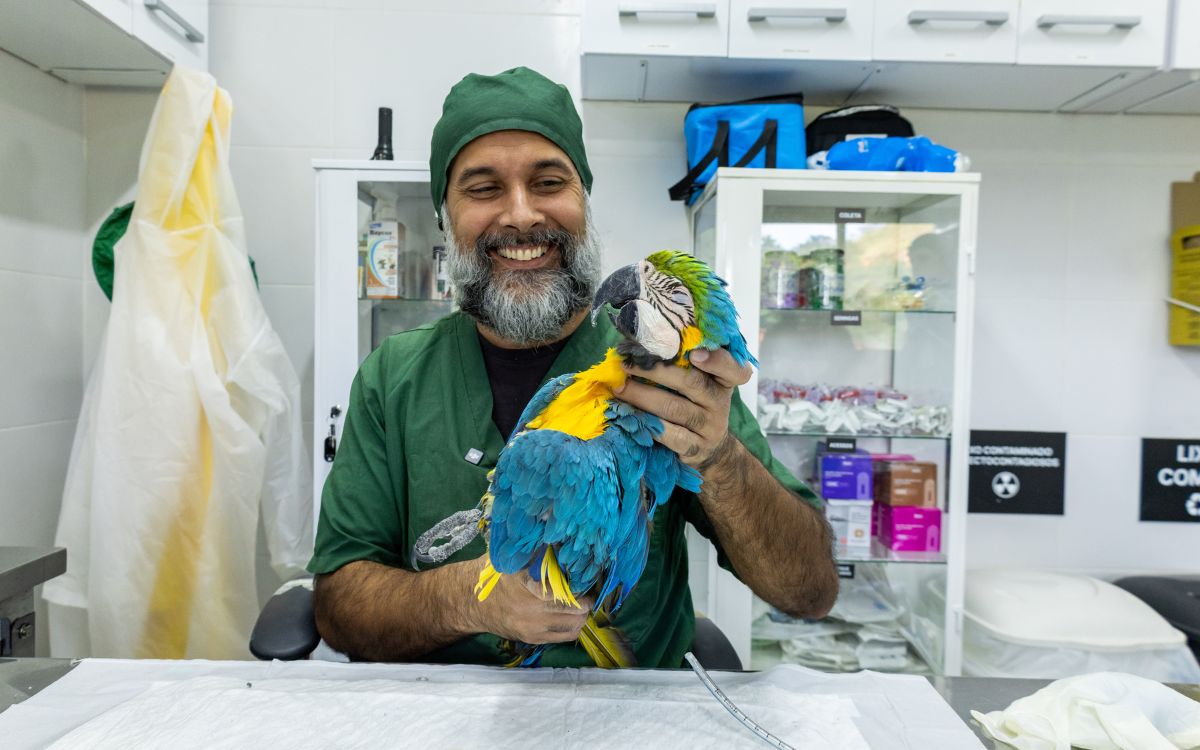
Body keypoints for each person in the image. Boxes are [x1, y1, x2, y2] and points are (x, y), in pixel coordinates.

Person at [309, 67, 838, 667]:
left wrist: (718, 459)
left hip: (628, 704)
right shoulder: (394, 378)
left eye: (548, 182)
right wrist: (469, 598)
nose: (521, 215)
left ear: (584, 201)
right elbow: (338, 604)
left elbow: (809, 591)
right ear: (444, 218)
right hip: (444, 704)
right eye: (483, 189)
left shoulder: (673, 370)